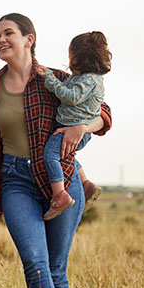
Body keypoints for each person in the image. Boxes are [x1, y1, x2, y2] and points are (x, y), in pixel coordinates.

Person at [0, 13, 112, 288]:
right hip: (15, 181)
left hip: (63, 179)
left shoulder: (58, 80)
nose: (1, 39)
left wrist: (83, 126)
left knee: (56, 270)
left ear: (28, 39)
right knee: (35, 264)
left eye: (8, 33)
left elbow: (104, 112)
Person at [35, 31, 112, 220]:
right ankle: (86, 183)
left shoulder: (88, 80)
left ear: (80, 58)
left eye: (71, 57)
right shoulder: (83, 79)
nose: (68, 61)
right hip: (72, 128)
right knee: (64, 156)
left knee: (50, 156)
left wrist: (50, 79)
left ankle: (59, 195)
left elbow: (70, 96)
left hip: (72, 129)